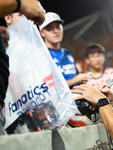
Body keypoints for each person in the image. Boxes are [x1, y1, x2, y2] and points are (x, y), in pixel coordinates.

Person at [0, 0, 45, 135]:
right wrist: (20, 4)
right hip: (15, 113)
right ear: (7, 18)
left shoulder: (31, 46)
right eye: (21, 15)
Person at [39, 12, 91, 89]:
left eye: (58, 27)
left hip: (75, 98)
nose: (55, 31)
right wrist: (75, 80)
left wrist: (80, 80)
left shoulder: (67, 53)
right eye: (50, 29)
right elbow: (45, 87)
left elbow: (74, 78)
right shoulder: (40, 56)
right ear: (42, 33)